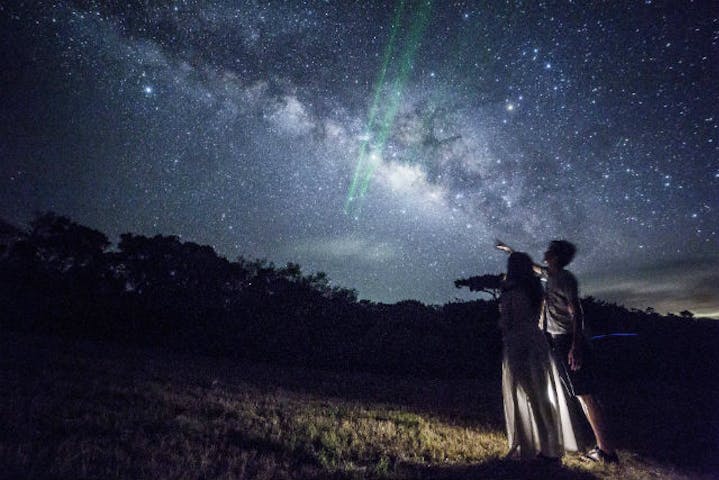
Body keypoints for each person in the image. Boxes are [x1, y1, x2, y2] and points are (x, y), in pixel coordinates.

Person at [496, 240, 618, 463]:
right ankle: (602, 448)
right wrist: (511, 251)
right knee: (580, 394)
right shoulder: (549, 275)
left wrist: (576, 345)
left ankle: (606, 450)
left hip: (568, 340)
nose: (545, 251)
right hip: (556, 340)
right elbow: (527, 266)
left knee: (586, 394)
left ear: (556, 257)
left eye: (550, 250)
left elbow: (576, 311)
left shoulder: (563, 279)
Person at [499, 252, 585, 461]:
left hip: (518, 342)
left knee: (529, 394)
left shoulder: (511, 291)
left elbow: (507, 321)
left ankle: (543, 448)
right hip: (537, 341)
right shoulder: (535, 289)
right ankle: (550, 445)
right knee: (541, 394)